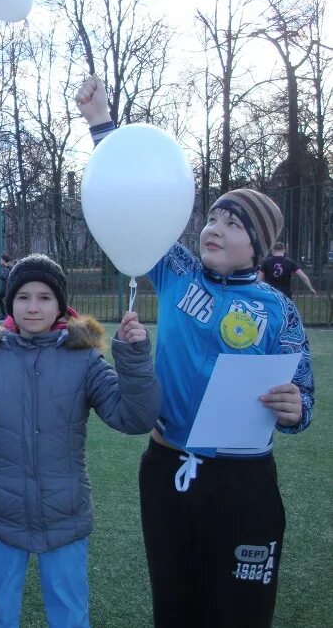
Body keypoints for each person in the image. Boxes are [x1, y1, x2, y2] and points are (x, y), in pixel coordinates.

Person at [77, 76, 315, 628]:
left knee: (239, 612)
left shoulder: (279, 310)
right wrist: (101, 123)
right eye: (212, 217)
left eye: (233, 224)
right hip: (167, 466)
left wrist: (295, 407)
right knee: (175, 604)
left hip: (245, 480)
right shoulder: (177, 272)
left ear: (258, 245)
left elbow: (304, 397)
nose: (214, 228)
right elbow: (129, 196)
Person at [0, 254, 160, 628]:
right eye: (23, 296)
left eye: (44, 297)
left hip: (65, 517)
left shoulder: (84, 359)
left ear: (60, 303)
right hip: (1, 518)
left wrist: (134, 357)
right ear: (9, 302)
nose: (33, 307)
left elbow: (134, 418)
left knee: (70, 615)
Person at [0, 253, 12, 319]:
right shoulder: (10, 266)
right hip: (8, 286)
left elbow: (5, 276)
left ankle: (5, 315)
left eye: (1, 259)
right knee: (1, 298)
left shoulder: (6, 267)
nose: (0, 260)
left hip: (6, 287)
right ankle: (5, 314)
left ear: (4, 260)